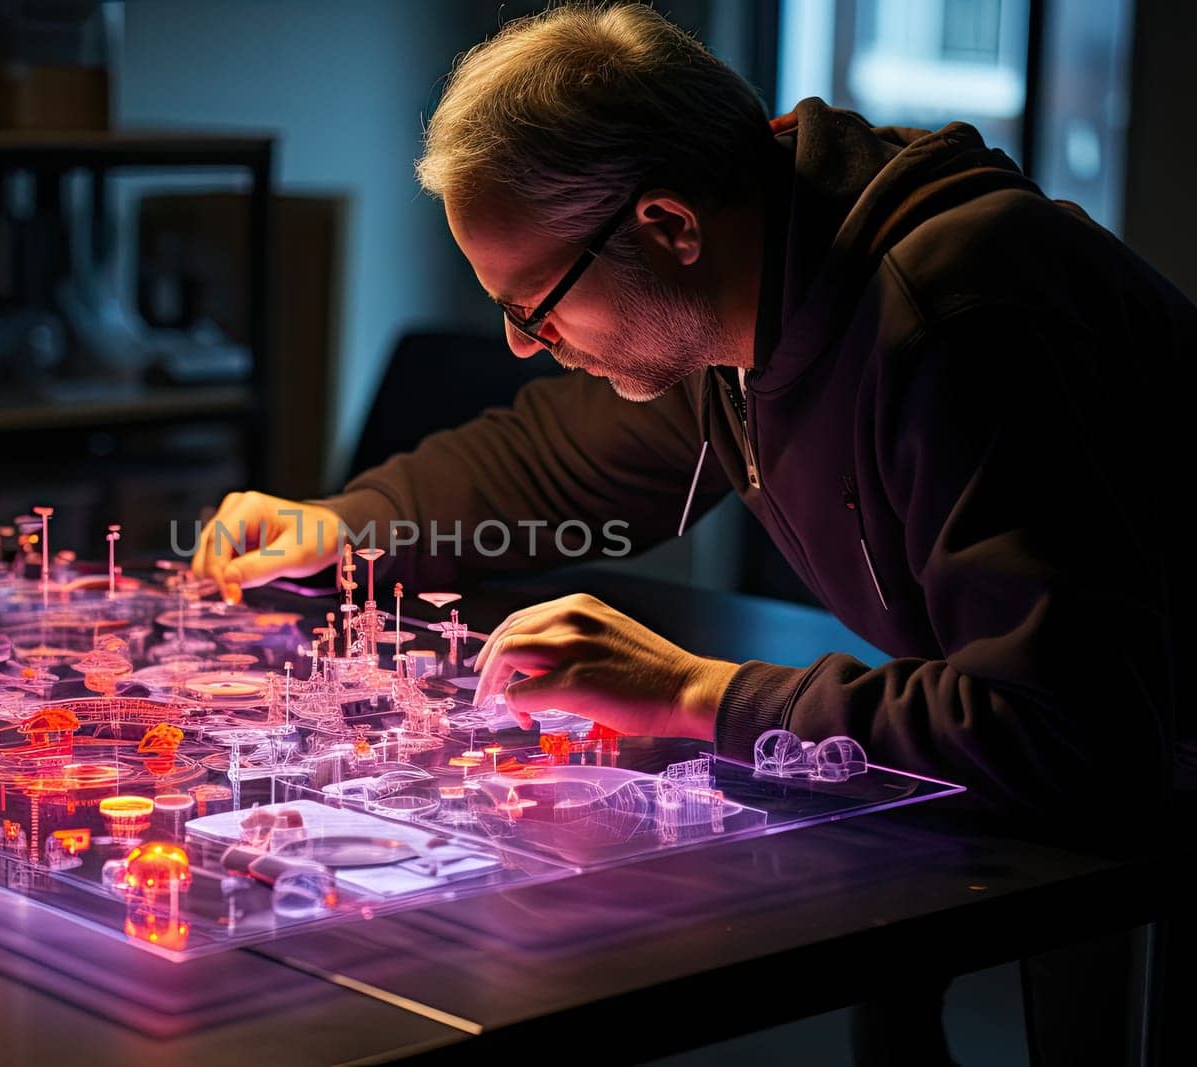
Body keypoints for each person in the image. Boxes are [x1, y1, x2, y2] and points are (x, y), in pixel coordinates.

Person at [191, 4, 1187, 814]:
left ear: (667, 226)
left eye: (530, 304)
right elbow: (546, 468)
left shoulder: (953, 318)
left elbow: (1070, 725)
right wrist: (343, 526)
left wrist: (689, 692)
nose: (518, 341)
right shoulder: (741, 302)